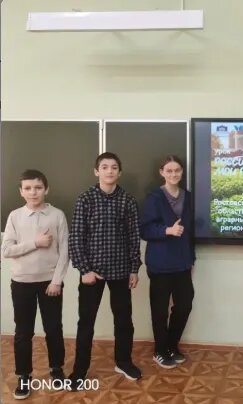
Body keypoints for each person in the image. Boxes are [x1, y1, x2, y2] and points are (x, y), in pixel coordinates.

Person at [68, 152, 142, 387]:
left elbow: (134, 237)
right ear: (96, 171)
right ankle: (80, 371)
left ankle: (123, 362)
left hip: (121, 271)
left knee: (124, 320)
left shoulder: (128, 200)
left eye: (114, 167)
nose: (109, 171)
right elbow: (76, 237)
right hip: (92, 272)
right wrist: (84, 270)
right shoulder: (85, 199)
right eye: (105, 167)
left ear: (119, 172)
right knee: (86, 322)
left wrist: (134, 268)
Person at [1, 170, 69, 400]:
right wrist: (35, 243)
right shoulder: (15, 216)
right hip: (22, 283)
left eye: (38, 187)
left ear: (46, 189)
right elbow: (6, 250)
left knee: (53, 328)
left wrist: (57, 281)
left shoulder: (57, 215)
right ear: (21, 192)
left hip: (50, 283)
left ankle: (56, 368)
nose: (33, 192)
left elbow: (64, 250)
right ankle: (24, 375)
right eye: (28, 188)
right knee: (23, 332)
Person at [140, 155, 195, 369]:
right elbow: (144, 230)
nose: (174, 174)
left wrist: (191, 259)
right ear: (162, 172)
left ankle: (172, 345)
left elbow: (190, 232)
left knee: (184, 305)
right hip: (160, 264)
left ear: (182, 172)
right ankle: (160, 350)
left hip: (182, 262)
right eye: (169, 171)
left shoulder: (188, 197)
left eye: (177, 170)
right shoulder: (154, 197)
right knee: (160, 310)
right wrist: (167, 230)